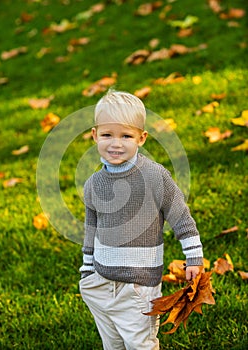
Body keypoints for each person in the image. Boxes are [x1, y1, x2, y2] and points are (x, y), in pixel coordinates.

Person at [79, 90, 203, 349]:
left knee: (140, 344)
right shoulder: (94, 184)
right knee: (112, 344)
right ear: (94, 135)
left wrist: (193, 258)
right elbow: (92, 228)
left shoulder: (155, 177)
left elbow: (182, 218)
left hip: (138, 285)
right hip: (101, 281)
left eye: (126, 136)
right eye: (107, 135)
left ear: (141, 138)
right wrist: (87, 270)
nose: (115, 143)